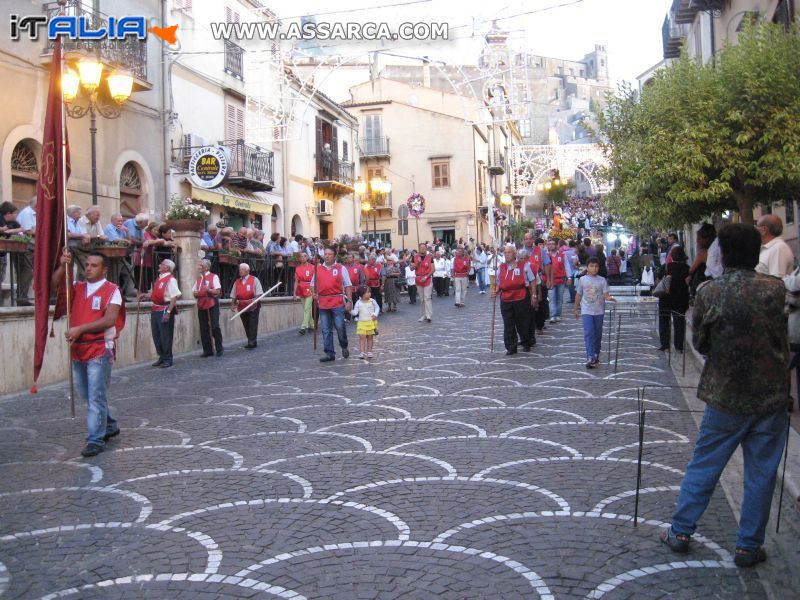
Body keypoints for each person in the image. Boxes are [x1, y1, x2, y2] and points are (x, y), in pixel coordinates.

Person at [661, 223, 790, 569]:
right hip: (770, 394)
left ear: (724, 254)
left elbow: (700, 342)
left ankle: (681, 531)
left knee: (705, 463)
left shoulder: (710, 292)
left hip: (726, 394)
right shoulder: (774, 290)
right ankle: (748, 545)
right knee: (761, 473)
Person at [51, 250, 124, 457]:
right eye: (87, 264)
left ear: (104, 269)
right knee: (88, 394)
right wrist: (62, 266)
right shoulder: (76, 288)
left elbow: (109, 320)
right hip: (78, 349)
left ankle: (95, 440)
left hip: (99, 349)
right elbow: (54, 287)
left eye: (93, 265)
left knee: (95, 396)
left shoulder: (112, 290)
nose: (88, 268)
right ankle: (109, 424)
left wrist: (80, 329)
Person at [492, 245, 537, 355]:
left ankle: (526, 342)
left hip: (521, 297)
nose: (507, 254)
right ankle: (511, 347)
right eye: (505, 253)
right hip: (506, 299)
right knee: (508, 323)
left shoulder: (524, 265)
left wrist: (534, 295)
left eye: (509, 252)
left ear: (514, 254)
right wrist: (495, 291)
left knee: (522, 322)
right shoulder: (501, 267)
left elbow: (532, 280)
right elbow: (499, 283)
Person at [574, 256, 616, 369]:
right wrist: (576, 308)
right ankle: (590, 356)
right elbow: (578, 295)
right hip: (586, 311)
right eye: (591, 266)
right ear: (587, 267)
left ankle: (596, 353)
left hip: (599, 311)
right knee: (589, 333)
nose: (594, 268)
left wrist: (610, 298)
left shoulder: (602, 280)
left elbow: (605, 294)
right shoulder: (582, 280)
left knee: (597, 334)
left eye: (596, 266)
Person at [139, 258, 181, 368]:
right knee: (156, 335)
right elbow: (156, 294)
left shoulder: (171, 280)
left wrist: (168, 312)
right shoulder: (159, 279)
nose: (159, 265)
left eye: (161, 264)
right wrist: (145, 295)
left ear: (167, 267)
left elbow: (174, 297)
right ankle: (162, 356)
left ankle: (167, 358)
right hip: (155, 309)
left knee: (165, 335)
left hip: (164, 309)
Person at [313, 247, 352, 362]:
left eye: (330, 254)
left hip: (337, 302)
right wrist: (313, 293)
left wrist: (349, 301)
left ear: (334, 256)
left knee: (340, 327)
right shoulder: (318, 269)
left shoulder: (341, 268)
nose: (327, 256)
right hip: (323, 303)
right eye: (325, 254)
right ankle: (329, 353)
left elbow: (348, 285)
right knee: (326, 329)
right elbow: (312, 284)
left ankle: (344, 345)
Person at [657, 246, 690, 352]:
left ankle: (665, 345)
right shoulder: (687, 268)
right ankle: (679, 346)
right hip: (681, 298)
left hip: (665, 298)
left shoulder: (665, 267)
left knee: (664, 321)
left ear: (671, 256)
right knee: (679, 322)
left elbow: (657, 281)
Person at [193, 259, 223, 357]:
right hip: (201, 303)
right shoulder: (199, 279)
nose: (198, 267)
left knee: (214, 326)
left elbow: (218, 292)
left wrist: (209, 290)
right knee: (203, 328)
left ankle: (219, 348)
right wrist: (196, 293)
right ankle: (207, 350)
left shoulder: (213, 277)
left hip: (212, 303)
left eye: (200, 265)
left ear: (206, 267)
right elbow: (194, 292)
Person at [230, 262, 262, 349]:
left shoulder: (254, 280)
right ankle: (251, 340)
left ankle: (251, 342)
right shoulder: (237, 282)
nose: (240, 271)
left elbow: (259, 293)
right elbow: (234, 294)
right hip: (241, 305)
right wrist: (233, 304)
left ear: (248, 271)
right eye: (240, 269)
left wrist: (256, 299)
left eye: (242, 269)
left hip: (253, 305)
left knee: (252, 324)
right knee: (246, 324)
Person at [14, 196, 36, 305]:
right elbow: (28, 231)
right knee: (26, 271)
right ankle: (22, 298)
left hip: (32, 246)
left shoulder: (34, 213)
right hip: (27, 246)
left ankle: (24, 297)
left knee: (29, 272)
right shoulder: (28, 213)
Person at [687, 223, 716, 298]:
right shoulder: (715, 249)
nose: (697, 241)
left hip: (704, 286)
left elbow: (691, 270)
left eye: (699, 239)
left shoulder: (703, 253)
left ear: (706, 239)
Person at [351, 286, 380, 359]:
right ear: (362, 294)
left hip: (370, 322)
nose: (369, 294)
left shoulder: (372, 301)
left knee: (370, 338)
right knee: (362, 338)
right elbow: (355, 312)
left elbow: (377, 307)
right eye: (367, 292)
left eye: (369, 292)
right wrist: (349, 311)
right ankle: (362, 352)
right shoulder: (358, 302)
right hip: (362, 323)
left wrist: (375, 314)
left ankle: (369, 351)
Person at [546, 239, 569, 323]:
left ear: (556, 246)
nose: (551, 245)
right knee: (552, 299)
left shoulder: (562, 255)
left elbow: (566, 266)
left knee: (560, 298)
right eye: (549, 244)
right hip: (551, 281)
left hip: (561, 280)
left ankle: (558, 314)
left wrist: (569, 277)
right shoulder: (546, 256)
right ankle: (553, 315)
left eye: (552, 244)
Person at [412, 243, 434, 323]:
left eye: (424, 248)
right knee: (422, 299)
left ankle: (428, 315)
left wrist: (426, 277)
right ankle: (423, 315)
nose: (423, 249)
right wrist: (417, 263)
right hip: (418, 279)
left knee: (427, 297)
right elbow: (411, 268)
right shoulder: (414, 257)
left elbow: (432, 269)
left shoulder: (430, 257)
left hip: (427, 278)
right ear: (419, 248)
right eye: (421, 248)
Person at [294, 251, 315, 335]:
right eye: (301, 256)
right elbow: (296, 281)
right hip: (301, 288)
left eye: (304, 256)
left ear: (307, 257)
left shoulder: (312, 267)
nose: (303, 258)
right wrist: (294, 293)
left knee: (307, 308)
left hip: (309, 288)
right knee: (306, 309)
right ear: (299, 258)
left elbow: (315, 280)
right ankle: (312, 325)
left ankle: (303, 326)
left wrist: (314, 291)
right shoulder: (297, 268)